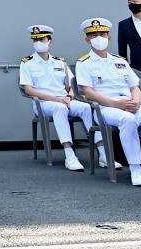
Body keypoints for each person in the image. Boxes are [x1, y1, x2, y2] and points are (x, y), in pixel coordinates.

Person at [74, 17, 141, 187]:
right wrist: (116, 104)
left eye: (103, 34)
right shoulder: (83, 63)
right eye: (94, 35)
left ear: (109, 37)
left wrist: (136, 101)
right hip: (106, 108)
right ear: (87, 39)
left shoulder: (119, 61)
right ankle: (136, 169)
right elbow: (88, 92)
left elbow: (135, 85)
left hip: (130, 105)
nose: (99, 38)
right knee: (127, 120)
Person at [19, 24, 95, 171]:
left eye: (42, 39)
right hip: (44, 103)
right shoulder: (27, 63)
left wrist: (69, 96)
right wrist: (57, 100)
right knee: (59, 108)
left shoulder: (60, 62)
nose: (38, 43)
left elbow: (72, 85)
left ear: (50, 42)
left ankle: (103, 151)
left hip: (64, 99)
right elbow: (28, 89)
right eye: (35, 40)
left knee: (86, 107)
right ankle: (69, 154)